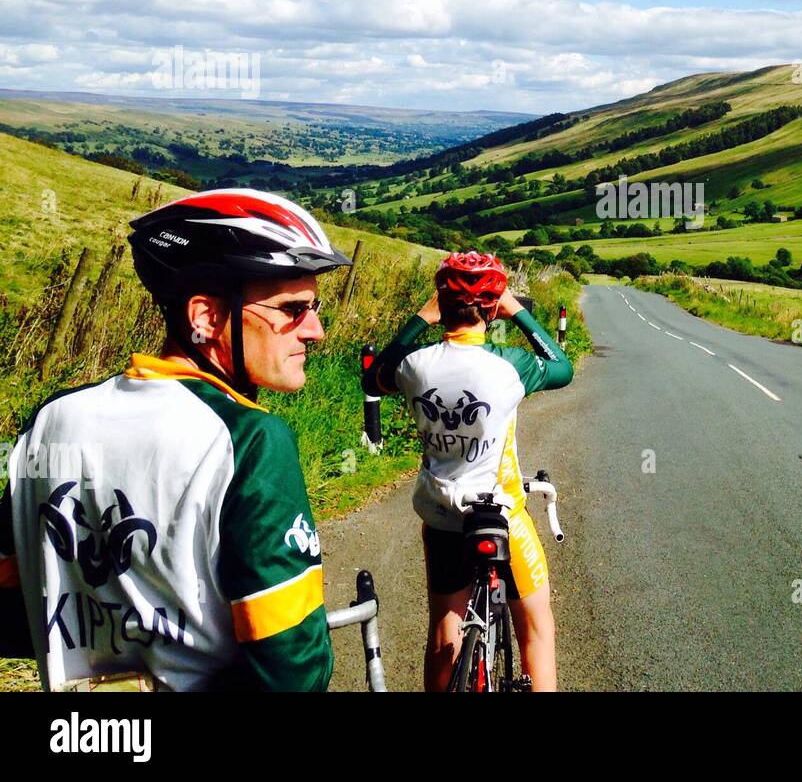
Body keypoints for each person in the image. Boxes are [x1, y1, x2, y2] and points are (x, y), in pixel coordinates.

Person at [0, 189, 351, 691]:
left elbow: (14, 600)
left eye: (314, 307)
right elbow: (291, 669)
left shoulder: (50, 419)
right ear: (206, 317)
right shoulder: (247, 440)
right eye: (292, 309)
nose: (315, 330)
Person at [362, 251, 572, 691]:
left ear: (442, 302)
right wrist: (517, 312)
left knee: (444, 635)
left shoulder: (413, 366)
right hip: (501, 517)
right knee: (536, 626)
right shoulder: (509, 366)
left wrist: (420, 317)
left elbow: (374, 377)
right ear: (491, 306)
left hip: (440, 516)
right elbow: (563, 367)